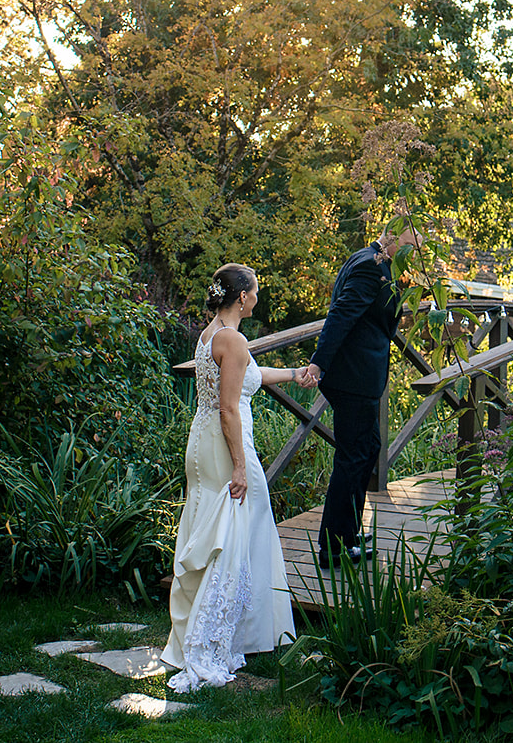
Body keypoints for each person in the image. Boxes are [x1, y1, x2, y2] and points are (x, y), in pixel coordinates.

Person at [161, 263, 300, 692]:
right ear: (243, 297)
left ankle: (219, 631)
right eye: (255, 291)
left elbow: (249, 377)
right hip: (225, 446)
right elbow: (229, 408)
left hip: (200, 442)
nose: (258, 297)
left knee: (210, 526)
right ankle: (212, 641)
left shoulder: (212, 335)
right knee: (231, 531)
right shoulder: (234, 340)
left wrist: (295, 374)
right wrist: (240, 465)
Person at [305, 225, 422, 568]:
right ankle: (333, 547)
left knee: (368, 449)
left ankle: (348, 532)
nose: (414, 253)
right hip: (351, 377)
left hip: (358, 376)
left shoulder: (374, 262)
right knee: (353, 457)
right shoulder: (371, 266)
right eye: (411, 244)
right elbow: (341, 314)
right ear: (393, 237)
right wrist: (318, 363)